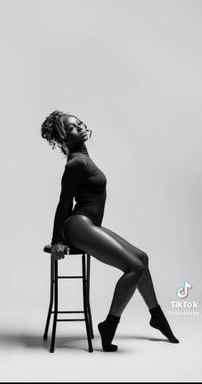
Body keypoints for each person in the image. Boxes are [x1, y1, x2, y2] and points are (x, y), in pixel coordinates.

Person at [41, 110, 179, 351]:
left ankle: (156, 316)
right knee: (134, 267)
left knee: (142, 259)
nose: (81, 126)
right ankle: (110, 325)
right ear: (64, 137)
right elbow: (64, 202)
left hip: (89, 225)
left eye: (80, 122)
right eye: (73, 127)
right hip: (78, 225)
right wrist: (56, 241)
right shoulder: (76, 163)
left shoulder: (83, 158)